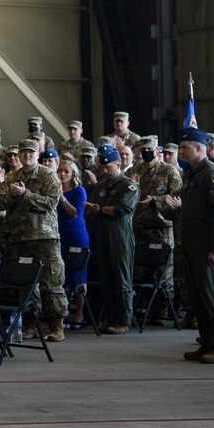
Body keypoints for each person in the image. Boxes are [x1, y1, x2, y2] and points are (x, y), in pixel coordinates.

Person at [0, 139, 68, 342]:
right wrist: (12, 195)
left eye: (31, 152)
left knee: (51, 283)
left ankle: (57, 326)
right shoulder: (12, 177)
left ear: (38, 155)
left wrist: (25, 194)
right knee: (25, 285)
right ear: (18, 155)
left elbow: (51, 202)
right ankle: (30, 325)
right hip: (19, 239)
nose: (27, 155)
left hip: (44, 238)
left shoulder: (48, 175)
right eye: (24, 152)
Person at [178, 128, 214, 364]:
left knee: (212, 296)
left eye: (185, 147)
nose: (181, 151)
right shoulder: (191, 174)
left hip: (207, 246)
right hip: (192, 244)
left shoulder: (212, 174)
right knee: (198, 297)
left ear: (200, 148)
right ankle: (206, 342)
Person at [83, 143, 138, 335]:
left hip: (120, 236)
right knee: (106, 278)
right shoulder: (101, 185)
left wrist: (99, 209)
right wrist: (93, 210)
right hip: (102, 235)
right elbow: (93, 207)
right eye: (102, 168)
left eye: (108, 167)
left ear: (119, 164)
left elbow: (123, 209)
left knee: (121, 279)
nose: (105, 171)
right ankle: (111, 318)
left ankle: (123, 320)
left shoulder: (128, 185)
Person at [131, 135, 182, 325]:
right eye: (142, 150)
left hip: (162, 226)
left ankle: (163, 310)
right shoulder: (136, 170)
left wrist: (155, 200)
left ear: (157, 151)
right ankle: (146, 309)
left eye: (148, 150)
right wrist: (134, 189)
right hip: (141, 225)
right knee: (142, 270)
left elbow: (176, 196)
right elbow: (129, 193)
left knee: (164, 271)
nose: (145, 153)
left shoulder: (170, 171)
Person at [56, 160, 89, 328]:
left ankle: (79, 313)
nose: (62, 174)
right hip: (59, 235)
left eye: (66, 171)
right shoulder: (54, 188)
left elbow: (75, 213)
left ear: (73, 174)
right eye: (60, 170)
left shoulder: (79, 191)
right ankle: (63, 312)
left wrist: (61, 198)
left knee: (78, 275)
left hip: (76, 236)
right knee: (62, 274)